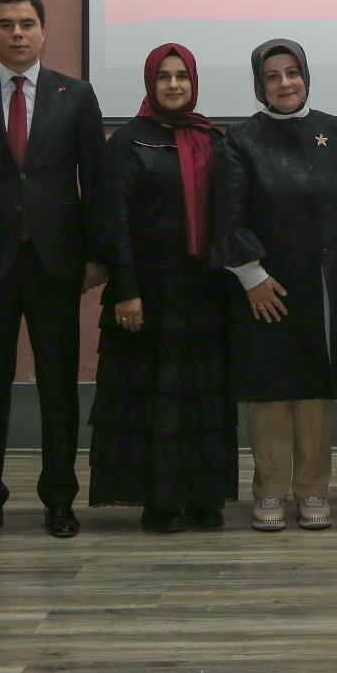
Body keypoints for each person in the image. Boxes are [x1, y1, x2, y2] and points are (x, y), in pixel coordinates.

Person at [0, 0, 106, 542]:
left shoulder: (75, 95)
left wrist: (95, 254)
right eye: (6, 24)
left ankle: (59, 500)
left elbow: (94, 182)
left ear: (43, 31)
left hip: (56, 261)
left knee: (59, 389)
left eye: (27, 23)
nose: (17, 33)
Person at [211, 39, 337, 531]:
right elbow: (227, 216)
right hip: (266, 287)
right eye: (273, 76)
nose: (285, 83)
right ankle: (270, 490)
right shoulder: (241, 140)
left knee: (316, 392)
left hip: (323, 284)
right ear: (260, 85)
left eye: (293, 72)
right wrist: (252, 277)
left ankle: (313, 489)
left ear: (306, 76)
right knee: (271, 392)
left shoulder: (335, 133)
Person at [90, 43, 236, 532]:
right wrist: (126, 289)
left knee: (201, 399)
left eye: (182, 76)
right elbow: (115, 222)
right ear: (150, 83)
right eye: (164, 77)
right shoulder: (127, 143)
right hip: (147, 290)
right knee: (155, 401)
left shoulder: (212, 139)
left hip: (206, 291)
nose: (174, 85)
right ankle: (161, 502)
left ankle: (203, 497)